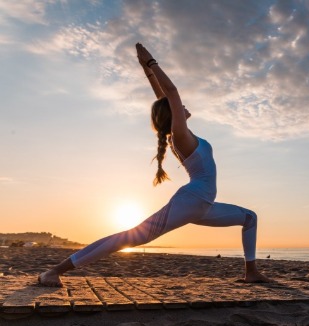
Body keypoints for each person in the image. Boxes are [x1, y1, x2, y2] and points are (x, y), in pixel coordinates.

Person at [38, 43, 272, 287]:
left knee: (249, 217)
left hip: (204, 205)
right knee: (129, 238)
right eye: (178, 107)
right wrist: (152, 62)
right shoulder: (179, 135)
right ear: (174, 113)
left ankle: (251, 272)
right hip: (190, 201)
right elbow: (170, 92)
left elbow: (163, 96)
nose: (183, 106)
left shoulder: (182, 133)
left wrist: (146, 71)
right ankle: (55, 271)